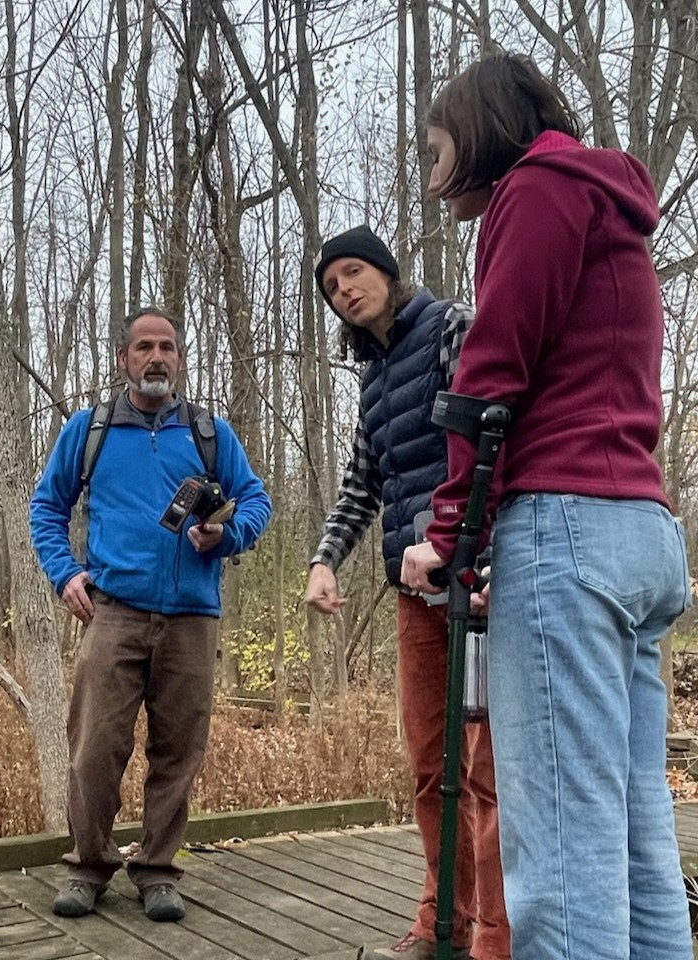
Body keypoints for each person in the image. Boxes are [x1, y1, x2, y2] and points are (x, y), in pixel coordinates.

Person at [402, 53, 692, 960]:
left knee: (562, 857)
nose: (433, 175)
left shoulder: (535, 191)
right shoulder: (606, 203)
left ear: (478, 130)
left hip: (568, 530)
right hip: (640, 530)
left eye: (437, 150)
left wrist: (450, 534)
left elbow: (491, 376)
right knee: (634, 834)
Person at [306, 226, 509, 960]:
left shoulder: (452, 326)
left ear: (387, 271)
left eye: (353, 272)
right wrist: (325, 560)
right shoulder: (373, 378)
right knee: (430, 764)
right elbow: (363, 484)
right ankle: (441, 919)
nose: (344, 290)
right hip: (413, 591)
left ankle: (497, 934)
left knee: (486, 768)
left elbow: (495, 439)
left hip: (477, 582)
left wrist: (482, 555)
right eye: (331, 287)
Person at [30, 308, 271, 923]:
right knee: (93, 749)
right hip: (112, 611)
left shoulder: (210, 433)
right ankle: (88, 866)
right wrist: (66, 573)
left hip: (193, 618)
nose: (156, 357)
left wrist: (226, 535)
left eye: (167, 346)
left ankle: (158, 871)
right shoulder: (91, 430)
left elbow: (256, 501)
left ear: (181, 358)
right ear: (123, 358)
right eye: (144, 347)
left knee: (178, 752)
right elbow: (47, 508)